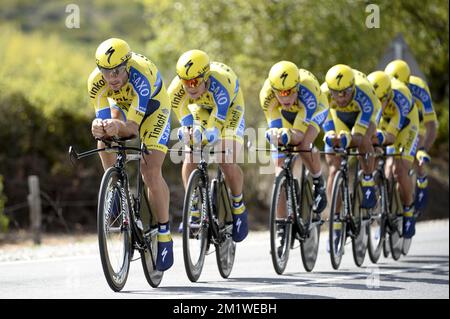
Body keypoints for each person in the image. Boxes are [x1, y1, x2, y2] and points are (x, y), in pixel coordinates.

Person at [88, 38, 173, 271]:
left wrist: (118, 126)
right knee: (102, 136)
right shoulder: (96, 82)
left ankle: (164, 233)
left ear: (127, 65)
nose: (112, 77)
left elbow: (133, 129)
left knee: (150, 170)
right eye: (106, 72)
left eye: (117, 71)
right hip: (124, 106)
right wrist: (100, 126)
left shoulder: (141, 77)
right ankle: (113, 184)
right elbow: (104, 119)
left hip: (154, 110)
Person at [168, 49, 248, 243]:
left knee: (224, 157)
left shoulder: (221, 84)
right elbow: (186, 121)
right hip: (202, 110)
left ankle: (238, 205)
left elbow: (215, 128)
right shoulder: (175, 91)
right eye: (185, 82)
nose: (190, 87)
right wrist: (189, 133)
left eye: (195, 82)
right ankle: (193, 203)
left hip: (229, 112)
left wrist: (206, 135)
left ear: (206, 76)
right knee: (190, 153)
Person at [260, 61, 329, 217]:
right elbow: (275, 128)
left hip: (314, 109)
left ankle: (318, 182)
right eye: (280, 92)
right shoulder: (266, 95)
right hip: (286, 114)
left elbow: (297, 135)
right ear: (272, 89)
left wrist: (287, 136)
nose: (285, 97)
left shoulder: (308, 89)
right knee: (279, 167)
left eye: (290, 92)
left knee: (303, 144)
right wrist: (275, 136)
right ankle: (281, 226)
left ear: (297, 87)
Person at [368, 70, 420, 238]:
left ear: (388, 96)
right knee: (375, 158)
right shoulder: (373, 98)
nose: (377, 103)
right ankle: (382, 205)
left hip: (406, 124)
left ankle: (408, 210)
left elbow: (390, 137)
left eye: (380, 100)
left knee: (400, 168)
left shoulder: (401, 98)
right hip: (385, 121)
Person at [323, 64, 381, 211]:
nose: (341, 98)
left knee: (363, 139)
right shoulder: (322, 93)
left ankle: (368, 180)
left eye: (346, 92)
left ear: (353, 87)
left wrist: (350, 139)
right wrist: (331, 135)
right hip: (340, 117)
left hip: (366, 113)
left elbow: (358, 136)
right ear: (330, 90)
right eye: (336, 93)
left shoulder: (364, 92)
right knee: (333, 167)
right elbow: (325, 121)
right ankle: (335, 217)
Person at [384, 60, 438, 213]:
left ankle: (421, 179)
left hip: (416, 124)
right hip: (393, 122)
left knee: (414, 157)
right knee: (389, 165)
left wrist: (423, 149)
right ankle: (386, 212)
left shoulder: (419, 88)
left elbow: (431, 126)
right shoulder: (386, 89)